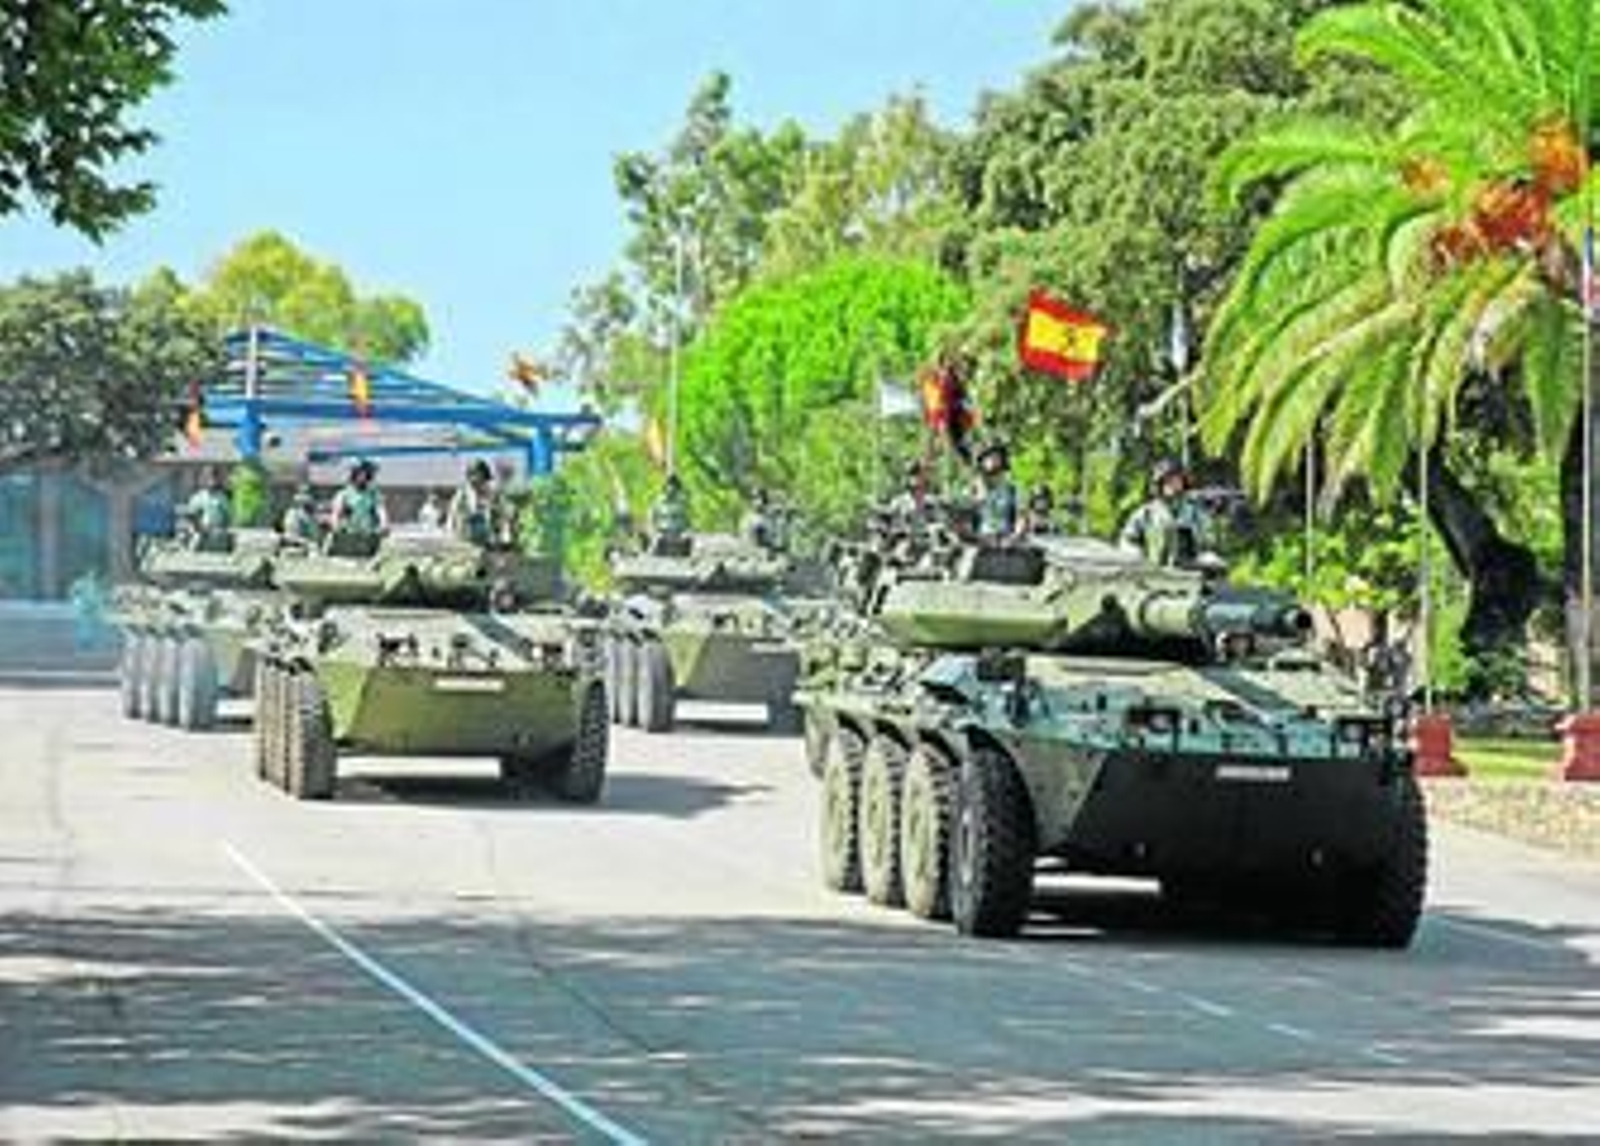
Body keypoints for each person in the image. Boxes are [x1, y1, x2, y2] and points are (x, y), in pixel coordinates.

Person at [1119, 458, 1208, 567]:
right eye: (1167, 480)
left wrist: (1206, 558)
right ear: (1159, 484)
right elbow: (1128, 540)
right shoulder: (1147, 513)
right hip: (1156, 573)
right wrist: (1137, 556)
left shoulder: (1194, 512)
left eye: (1176, 480)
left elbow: (1208, 543)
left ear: (1183, 482)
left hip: (1191, 572)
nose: (1172, 485)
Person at [330, 458, 389, 537]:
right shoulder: (344, 494)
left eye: (367, 473)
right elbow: (336, 513)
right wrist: (335, 526)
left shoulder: (373, 494)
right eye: (360, 473)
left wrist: (384, 524)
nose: (363, 477)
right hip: (349, 534)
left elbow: (380, 510)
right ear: (354, 474)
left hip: (368, 534)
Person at [447, 459, 500, 546]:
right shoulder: (463, 492)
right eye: (472, 475)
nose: (474, 479)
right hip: (466, 537)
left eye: (478, 475)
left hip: (487, 539)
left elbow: (498, 515)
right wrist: (451, 532)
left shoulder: (491, 492)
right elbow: (452, 513)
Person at [974, 441, 1019, 541]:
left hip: (1006, 539)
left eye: (996, 456)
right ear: (982, 462)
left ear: (1003, 460)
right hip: (979, 540)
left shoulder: (1012, 489)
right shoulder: (972, 488)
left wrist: (1015, 536)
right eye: (988, 457)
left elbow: (1021, 517)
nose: (992, 460)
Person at [184, 467, 232, 542]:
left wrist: (222, 527)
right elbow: (191, 514)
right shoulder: (198, 497)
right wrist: (199, 527)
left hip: (217, 529)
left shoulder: (222, 497)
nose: (211, 482)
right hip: (201, 530)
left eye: (214, 478)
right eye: (209, 478)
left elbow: (227, 517)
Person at [650, 473, 691, 541]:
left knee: (688, 539)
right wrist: (655, 531)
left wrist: (687, 531)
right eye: (669, 485)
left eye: (674, 485)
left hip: (679, 533)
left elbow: (687, 520)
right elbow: (652, 518)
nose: (672, 488)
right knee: (657, 541)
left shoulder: (682, 502)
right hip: (663, 532)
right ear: (665, 487)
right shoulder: (658, 502)